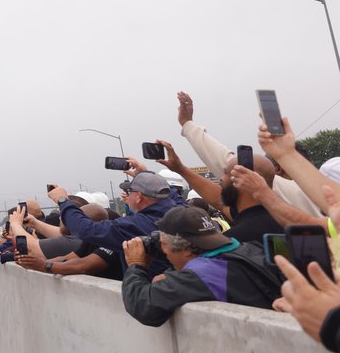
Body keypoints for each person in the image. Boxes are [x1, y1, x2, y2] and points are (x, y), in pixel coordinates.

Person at [121, 206, 281, 327]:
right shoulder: (249, 248)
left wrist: (137, 265)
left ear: (186, 251)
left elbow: (142, 306)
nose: (163, 251)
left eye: (163, 245)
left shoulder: (204, 275)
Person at [175, 91, 321, 217]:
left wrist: (188, 125)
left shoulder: (299, 195)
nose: (223, 179)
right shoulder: (322, 197)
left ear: (277, 169)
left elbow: (227, 162)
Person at [49, 165, 186, 275]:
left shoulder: (134, 225)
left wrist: (63, 201)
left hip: (151, 296)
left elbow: (86, 229)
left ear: (138, 197)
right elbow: (172, 195)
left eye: (129, 191)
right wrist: (147, 175)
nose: (126, 195)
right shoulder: (183, 212)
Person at [154, 140, 282, 244]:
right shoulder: (285, 221)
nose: (221, 178)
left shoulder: (233, 241)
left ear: (243, 181)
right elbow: (219, 201)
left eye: (226, 173)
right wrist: (180, 168)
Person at [18, 203, 123, 280]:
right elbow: (67, 258)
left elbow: (84, 266)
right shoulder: (91, 240)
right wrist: (30, 261)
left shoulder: (112, 240)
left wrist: (44, 266)